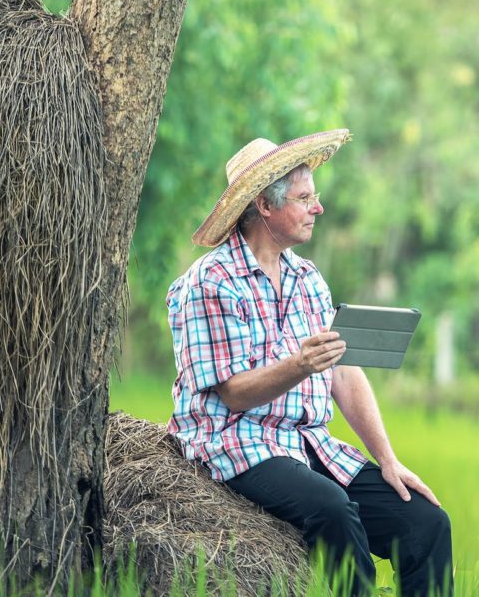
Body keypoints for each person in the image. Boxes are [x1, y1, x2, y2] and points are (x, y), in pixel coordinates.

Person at [167, 130, 452, 596]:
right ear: (264, 204)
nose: (317, 208)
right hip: (236, 442)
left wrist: (387, 460)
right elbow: (234, 392)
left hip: (307, 442)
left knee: (426, 522)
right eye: (304, 198)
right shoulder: (209, 283)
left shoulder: (308, 277)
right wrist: (299, 365)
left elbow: (344, 371)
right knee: (333, 509)